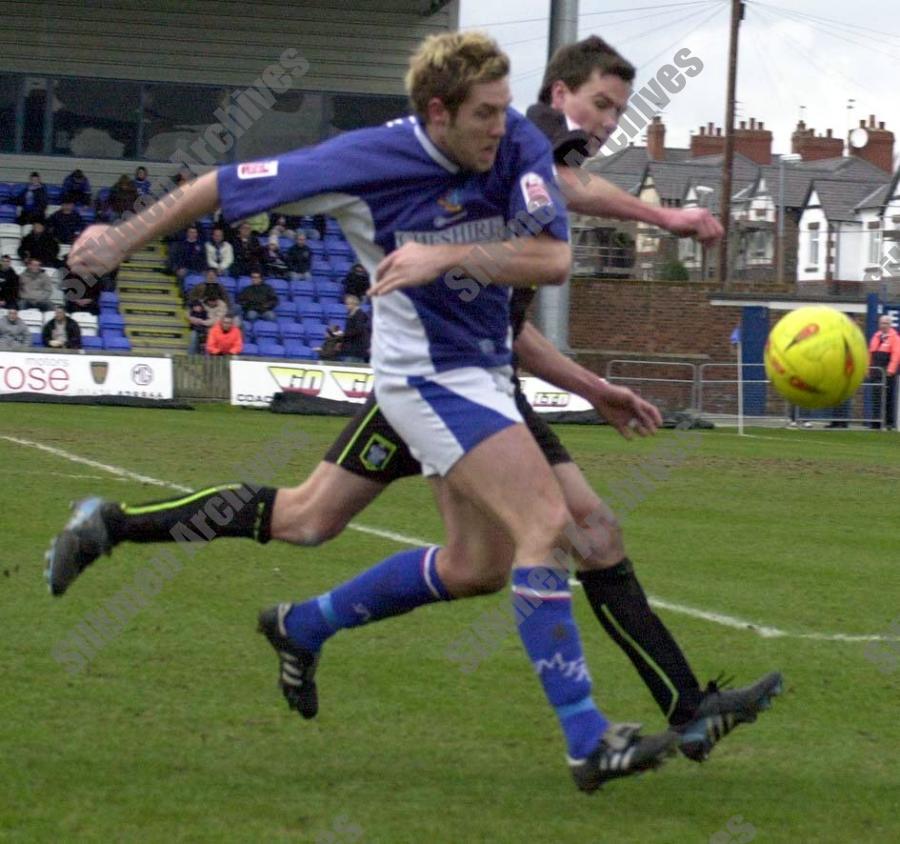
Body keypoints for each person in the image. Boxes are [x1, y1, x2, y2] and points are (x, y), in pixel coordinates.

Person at [55, 32, 777, 790]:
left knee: (472, 564)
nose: (505, 130)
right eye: (487, 115)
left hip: (484, 378)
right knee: (550, 528)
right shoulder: (367, 161)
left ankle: (299, 623)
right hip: (425, 380)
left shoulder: (519, 144)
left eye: (507, 112)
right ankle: (592, 738)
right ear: (440, 113)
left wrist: (452, 256)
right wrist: (122, 237)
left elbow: (553, 256)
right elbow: (221, 184)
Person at [869, 315, 900, 430]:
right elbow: (871, 354)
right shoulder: (876, 336)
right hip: (876, 372)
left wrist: (890, 370)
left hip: (888, 373)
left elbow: (896, 355)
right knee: (876, 397)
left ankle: (889, 423)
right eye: (882, 323)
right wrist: (869, 369)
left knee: (888, 397)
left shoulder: (894, 338)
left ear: (890, 325)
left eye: (886, 323)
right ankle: (875, 422)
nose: (884, 325)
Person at [337, 293, 369, 362]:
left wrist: (344, 334)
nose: (346, 306)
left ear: (353, 304)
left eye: (347, 304)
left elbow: (358, 330)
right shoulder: (352, 314)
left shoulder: (359, 315)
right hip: (352, 348)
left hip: (356, 349)